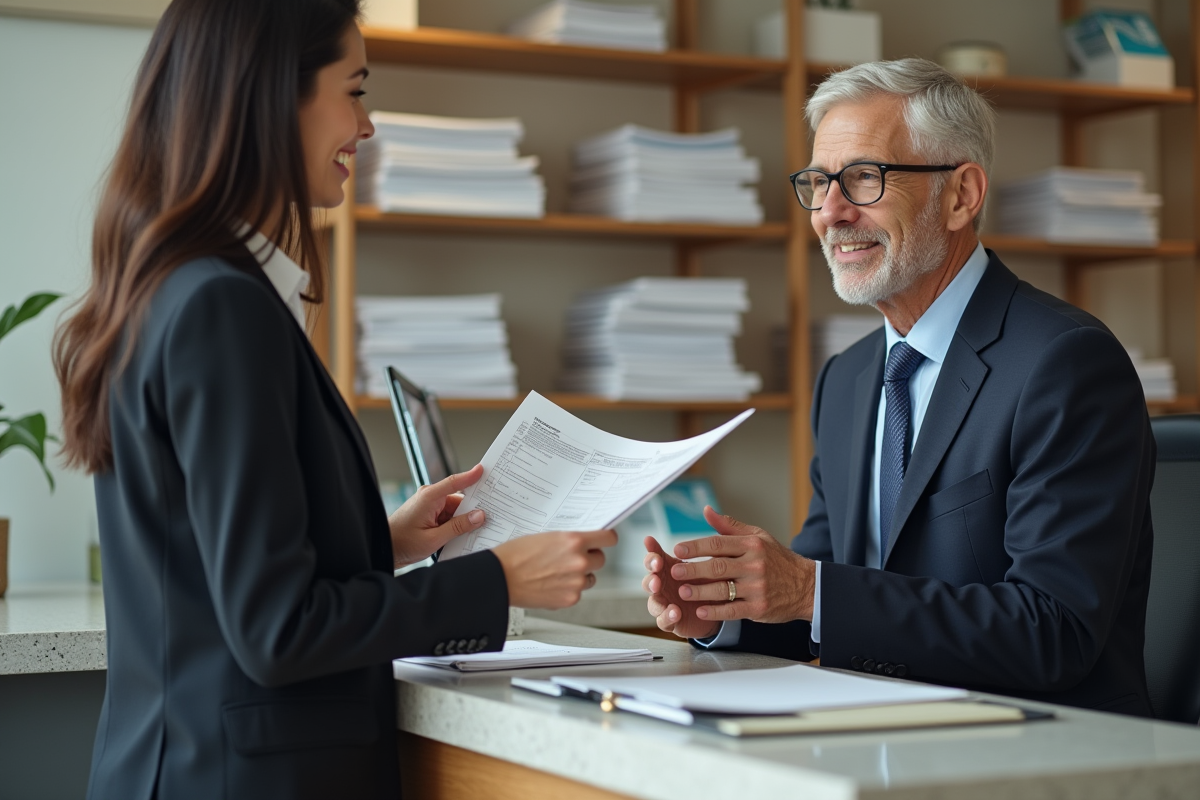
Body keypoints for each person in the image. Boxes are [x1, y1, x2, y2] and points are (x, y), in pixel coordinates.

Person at [52, 1, 615, 797]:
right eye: (353, 90)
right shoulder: (222, 305)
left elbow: (217, 575)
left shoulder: (171, 287)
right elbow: (277, 632)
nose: (368, 124)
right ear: (272, 93)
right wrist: (499, 582)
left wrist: (383, 544)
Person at [643, 58, 1156, 717]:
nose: (830, 212)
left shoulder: (1066, 362)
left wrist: (809, 589)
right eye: (819, 182)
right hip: (885, 733)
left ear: (961, 196)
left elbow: (1053, 630)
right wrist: (729, 609)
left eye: (863, 177)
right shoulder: (849, 379)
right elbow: (836, 601)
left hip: (1044, 751)